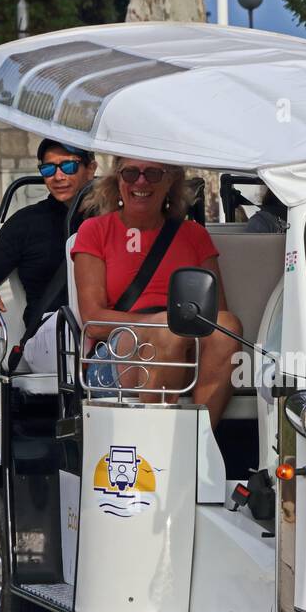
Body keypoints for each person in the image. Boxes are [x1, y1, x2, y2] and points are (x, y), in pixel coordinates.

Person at [72, 158, 242, 425]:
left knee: (227, 326)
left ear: (170, 180)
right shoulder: (94, 231)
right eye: (130, 173)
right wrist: (158, 323)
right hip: (119, 350)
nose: (140, 181)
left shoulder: (193, 235)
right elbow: (93, 321)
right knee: (167, 329)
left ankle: (199, 439)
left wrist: (170, 326)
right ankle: (157, 440)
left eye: (152, 174)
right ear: (118, 179)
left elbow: (215, 314)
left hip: (185, 345)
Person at [0, 138, 97, 371]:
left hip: (103, 327)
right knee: (72, 328)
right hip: (50, 330)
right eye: (48, 169)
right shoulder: (26, 223)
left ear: (91, 169)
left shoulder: (113, 219)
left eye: (68, 166)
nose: (58, 176)